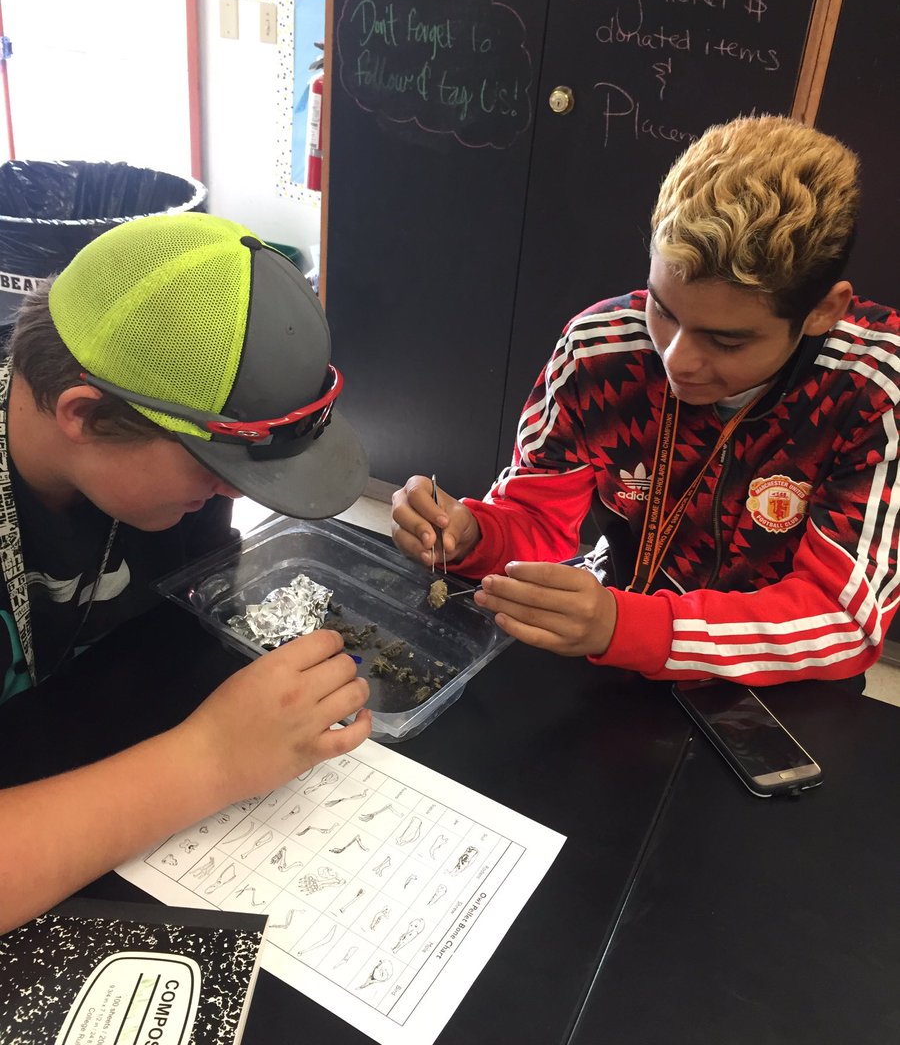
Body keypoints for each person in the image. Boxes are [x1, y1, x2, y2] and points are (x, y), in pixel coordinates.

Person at [392, 116, 900, 687]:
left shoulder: (874, 392)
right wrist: (471, 534)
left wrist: (631, 627)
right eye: (663, 309)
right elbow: (537, 518)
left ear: (823, 311)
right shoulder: (599, 350)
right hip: (616, 647)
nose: (677, 359)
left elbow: (842, 619)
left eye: (726, 341)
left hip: (774, 693)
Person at [0, 212, 373, 932]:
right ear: (84, 413)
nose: (237, 497)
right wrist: (209, 763)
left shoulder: (163, 498)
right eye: (215, 467)